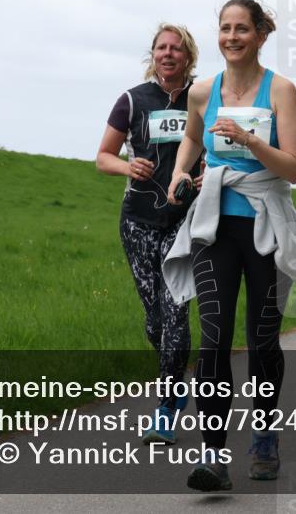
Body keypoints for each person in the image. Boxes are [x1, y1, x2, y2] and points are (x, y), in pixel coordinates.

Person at [163, 0, 296, 493]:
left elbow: (294, 167)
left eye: (242, 29)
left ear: (260, 35)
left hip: (266, 227)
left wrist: (250, 141)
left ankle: (265, 435)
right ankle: (213, 454)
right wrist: (180, 172)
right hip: (214, 227)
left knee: (262, 338)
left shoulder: (282, 90)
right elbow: (191, 138)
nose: (232, 37)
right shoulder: (202, 91)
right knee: (213, 338)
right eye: (225, 29)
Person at [96, 23, 201, 445]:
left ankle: (166, 407)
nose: (168, 54)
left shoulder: (203, 97)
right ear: (153, 54)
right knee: (155, 319)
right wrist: (128, 166)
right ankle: (174, 380)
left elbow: (217, 148)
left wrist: (204, 174)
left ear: (188, 56)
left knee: (175, 310)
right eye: (162, 48)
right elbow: (103, 156)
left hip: (184, 220)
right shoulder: (132, 100)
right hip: (137, 219)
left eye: (177, 49)